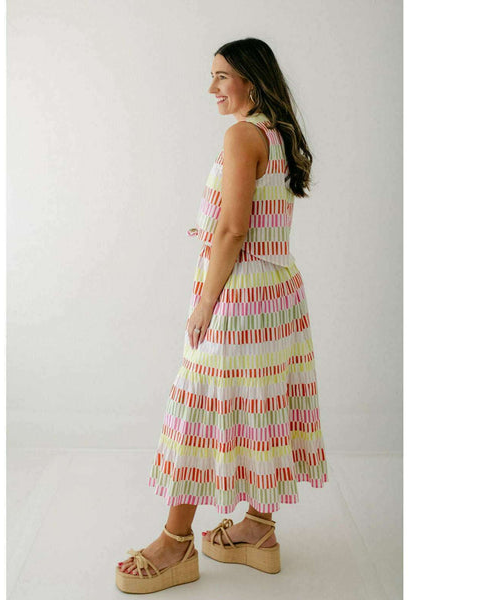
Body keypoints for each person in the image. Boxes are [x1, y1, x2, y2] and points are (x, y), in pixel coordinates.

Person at [115, 37, 328, 594]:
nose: (211, 87)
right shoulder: (277, 134)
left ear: (251, 80)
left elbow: (233, 229)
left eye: (221, 76)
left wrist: (206, 302)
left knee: (199, 406)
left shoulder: (241, 135)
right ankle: (257, 527)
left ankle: (175, 544)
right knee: (263, 400)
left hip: (240, 295)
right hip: (279, 295)